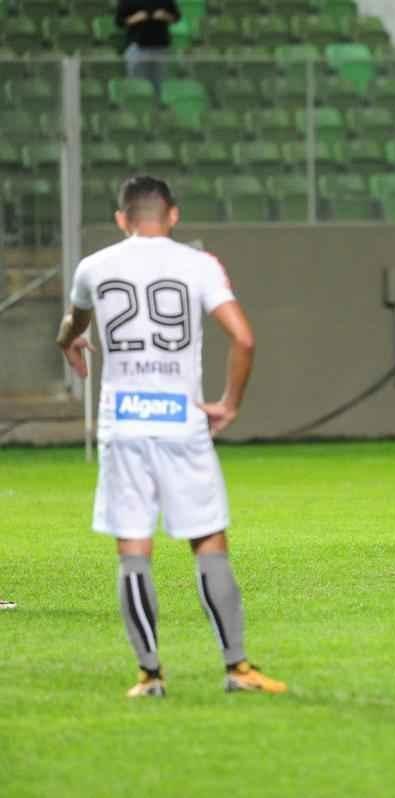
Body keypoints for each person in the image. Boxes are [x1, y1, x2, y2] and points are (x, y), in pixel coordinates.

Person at [55, 175, 284, 698]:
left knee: (134, 549)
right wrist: (228, 403)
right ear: (173, 215)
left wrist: (67, 341)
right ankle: (236, 667)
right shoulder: (198, 265)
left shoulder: (95, 267)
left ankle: (150, 675)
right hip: (180, 421)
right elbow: (243, 337)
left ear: (121, 219)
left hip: (124, 422)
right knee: (209, 542)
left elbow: (74, 321)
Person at [116, 1, 180, 95]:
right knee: (138, 84)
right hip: (138, 48)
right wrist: (134, 18)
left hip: (161, 47)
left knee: (161, 84)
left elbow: (176, 17)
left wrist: (165, 16)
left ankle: (158, 107)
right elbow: (118, 22)